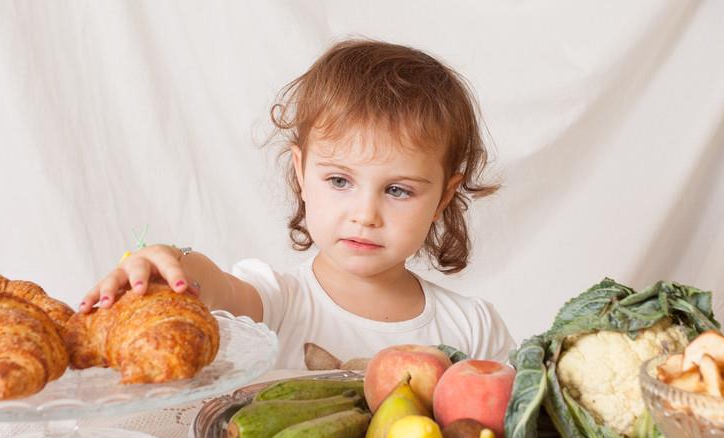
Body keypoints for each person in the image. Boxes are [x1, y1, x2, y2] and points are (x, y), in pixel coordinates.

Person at [79, 39, 516, 369]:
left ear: (443, 196)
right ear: (302, 173)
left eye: (397, 190)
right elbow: (215, 288)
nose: (365, 214)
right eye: (340, 180)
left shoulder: (474, 329)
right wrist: (174, 263)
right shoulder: (277, 302)